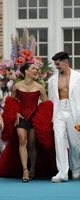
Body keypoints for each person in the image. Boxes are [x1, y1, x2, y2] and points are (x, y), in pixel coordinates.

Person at [11, 63, 48, 182]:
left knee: (32, 144)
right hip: (21, 117)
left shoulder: (40, 87)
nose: (36, 70)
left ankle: (32, 168)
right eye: (33, 68)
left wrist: (41, 118)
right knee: (22, 141)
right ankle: (25, 170)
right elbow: (12, 102)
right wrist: (15, 112)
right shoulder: (16, 86)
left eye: (37, 69)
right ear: (26, 71)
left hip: (34, 118)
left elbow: (46, 105)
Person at [48, 51, 80, 183]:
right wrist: (51, 118)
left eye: (58, 64)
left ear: (66, 62)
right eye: (55, 65)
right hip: (59, 112)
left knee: (75, 143)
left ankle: (76, 169)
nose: (57, 67)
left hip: (75, 112)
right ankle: (62, 172)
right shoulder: (52, 80)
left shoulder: (78, 77)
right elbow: (51, 100)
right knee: (59, 141)